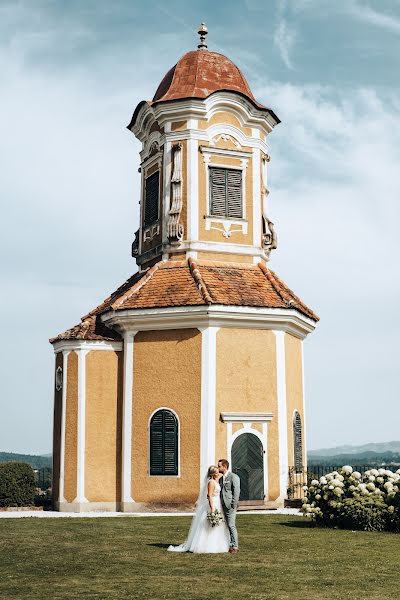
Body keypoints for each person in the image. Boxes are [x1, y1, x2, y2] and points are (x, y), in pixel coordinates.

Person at [167, 465, 230, 553]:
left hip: (217, 503)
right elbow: (210, 496)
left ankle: (217, 544)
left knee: (217, 525)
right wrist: (212, 508)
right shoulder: (211, 482)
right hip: (213, 504)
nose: (218, 473)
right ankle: (207, 545)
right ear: (212, 474)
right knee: (208, 525)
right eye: (216, 472)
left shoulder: (215, 481)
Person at [218, 459, 240, 554]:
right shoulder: (221, 478)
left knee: (231, 525)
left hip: (230, 505)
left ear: (225, 467)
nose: (218, 468)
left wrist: (233, 504)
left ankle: (235, 546)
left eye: (219, 466)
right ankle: (229, 544)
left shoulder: (233, 477)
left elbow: (236, 491)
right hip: (222, 505)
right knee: (226, 526)